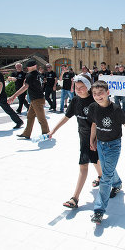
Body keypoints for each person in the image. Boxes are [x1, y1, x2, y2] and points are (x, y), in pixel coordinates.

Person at [48, 74, 102, 209]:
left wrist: (93, 140)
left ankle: (110, 180)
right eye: (76, 87)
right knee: (86, 163)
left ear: (88, 87)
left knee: (97, 161)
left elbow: (97, 123)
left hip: (96, 138)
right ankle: (76, 198)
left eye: (81, 87)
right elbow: (66, 117)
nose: (78, 90)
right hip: (83, 137)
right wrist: (53, 130)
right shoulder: (75, 101)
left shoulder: (94, 101)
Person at [88, 80, 125, 224]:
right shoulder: (93, 107)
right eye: (95, 94)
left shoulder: (115, 109)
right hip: (101, 144)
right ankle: (117, 184)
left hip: (113, 146)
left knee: (105, 177)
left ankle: (98, 211)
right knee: (108, 170)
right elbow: (94, 124)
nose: (98, 96)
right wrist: (92, 140)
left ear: (108, 93)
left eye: (101, 93)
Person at [8, 60, 49, 139]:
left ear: (28, 67)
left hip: (37, 99)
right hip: (37, 98)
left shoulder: (30, 75)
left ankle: (46, 133)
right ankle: (27, 133)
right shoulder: (39, 74)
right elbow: (42, 83)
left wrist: (13, 96)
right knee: (30, 116)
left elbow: (25, 87)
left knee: (41, 118)